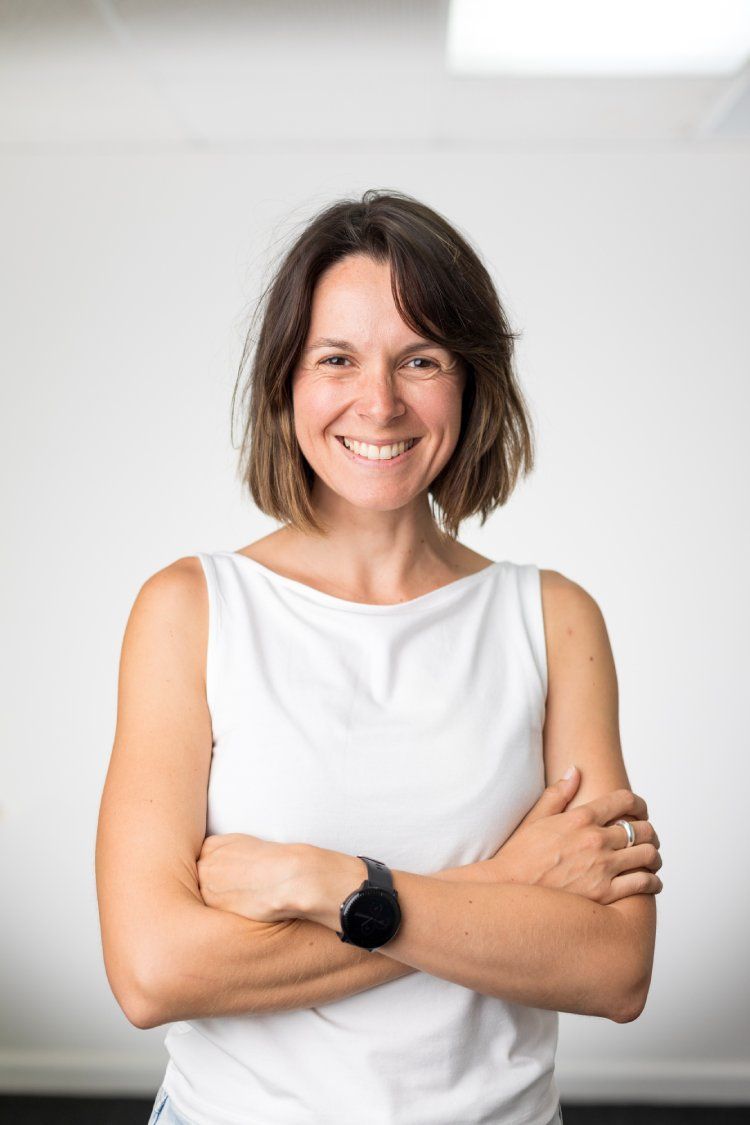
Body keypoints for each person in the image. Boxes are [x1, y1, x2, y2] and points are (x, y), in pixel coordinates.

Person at [96, 189, 662, 1125]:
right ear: (288, 379)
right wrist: (503, 884)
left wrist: (323, 884)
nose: (381, 401)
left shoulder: (553, 618)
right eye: (338, 359)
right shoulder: (190, 610)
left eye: (420, 359)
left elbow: (613, 968)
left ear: (472, 379)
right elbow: (154, 972)